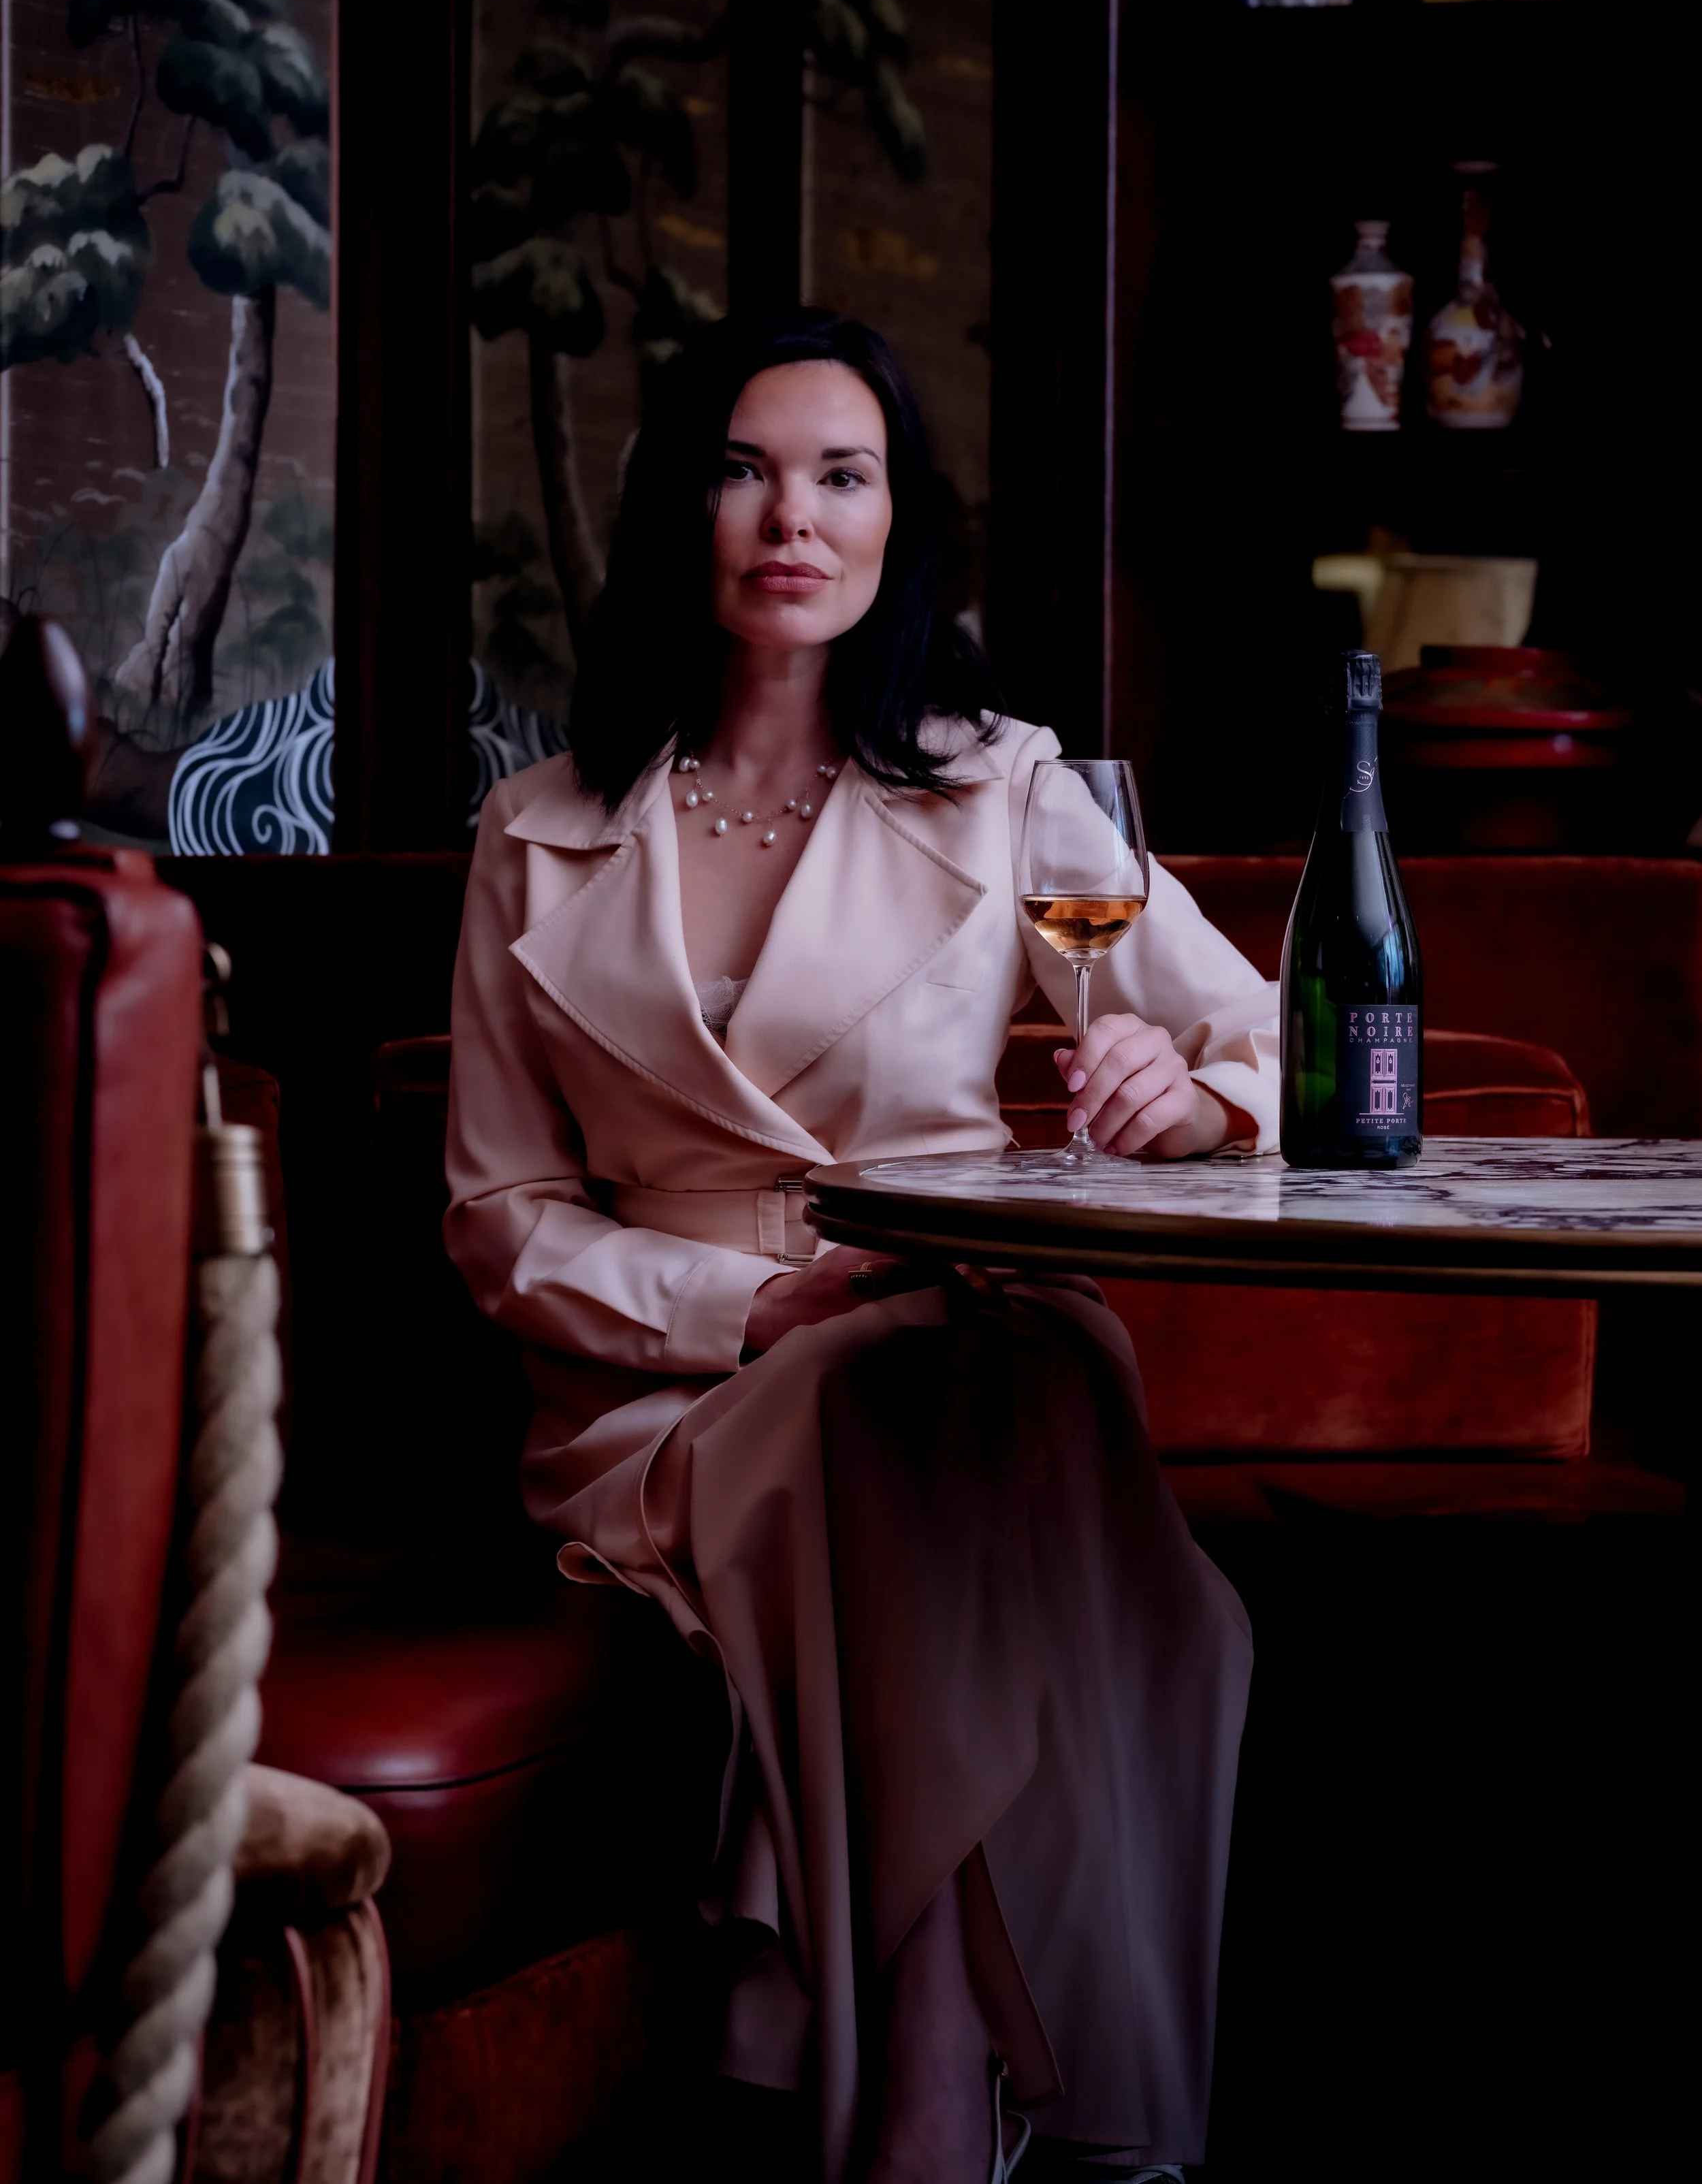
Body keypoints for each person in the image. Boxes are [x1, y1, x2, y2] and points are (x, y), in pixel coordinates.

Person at [444, 312, 1280, 2184]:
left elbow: (1268, 1040)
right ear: (684, 508)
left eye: (843, 473)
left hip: (961, 1325)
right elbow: (498, 1217)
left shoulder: (1003, 790)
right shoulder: (541, 827)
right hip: (670, 1389)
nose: (791, 517)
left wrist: (1180, 1085)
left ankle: (909, 2080)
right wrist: (754, 1301)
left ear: (902, 522)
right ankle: (942, 2078)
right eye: (745, 468)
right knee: (869, 1401)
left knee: (950, 1378)